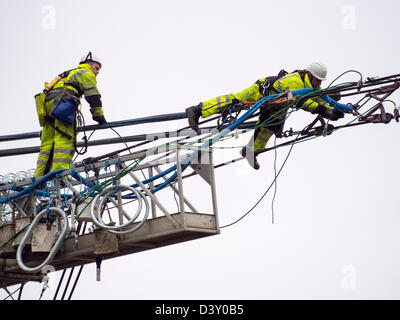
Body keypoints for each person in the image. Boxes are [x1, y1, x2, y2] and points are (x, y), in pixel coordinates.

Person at [185, 62, 343, 169]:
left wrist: (332, 109)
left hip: (275, 104)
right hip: (262, 92)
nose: (320, 84)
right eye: (318, 80)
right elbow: (300, 101)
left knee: (269, 127)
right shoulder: (296, 81)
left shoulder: (310, 87)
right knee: (234, 100)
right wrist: (324, 111)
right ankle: (197, 110)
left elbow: (317, 100)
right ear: (310, 75)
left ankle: (250, 151)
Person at [34, 51, 107, 178]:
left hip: (48, 108)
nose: (97, 72)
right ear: (89, 64)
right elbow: (93, 96)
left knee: (47, 144)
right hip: (63, 106)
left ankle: (40, 177)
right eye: (97, 68)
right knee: (65, 140)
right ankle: (60, 175)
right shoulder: (86, 73)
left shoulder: (67, 74)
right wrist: (99, 116)